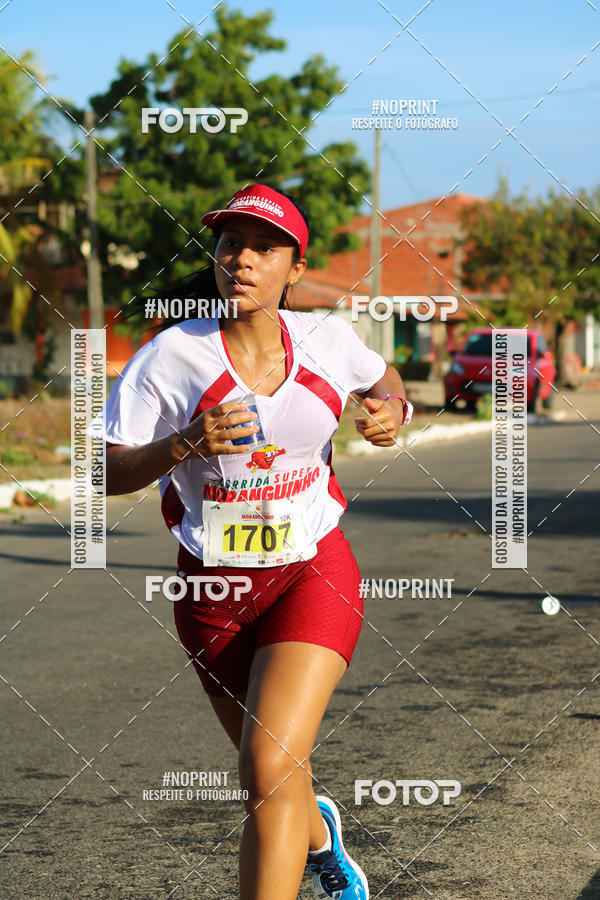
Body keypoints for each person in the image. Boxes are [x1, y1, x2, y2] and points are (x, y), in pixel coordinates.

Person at [103, 183, 412, 900]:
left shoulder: (326, 340)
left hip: (312, 571)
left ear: (295, 268)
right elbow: (103, 470)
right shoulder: (171, 356)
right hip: (213, 591)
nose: (241, 259)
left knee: (266, 769)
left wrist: (393, 408)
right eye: (230, 243)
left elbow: (385, 380)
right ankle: (321, 838)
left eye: (264, 248)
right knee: (276, 768)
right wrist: (183, 443)